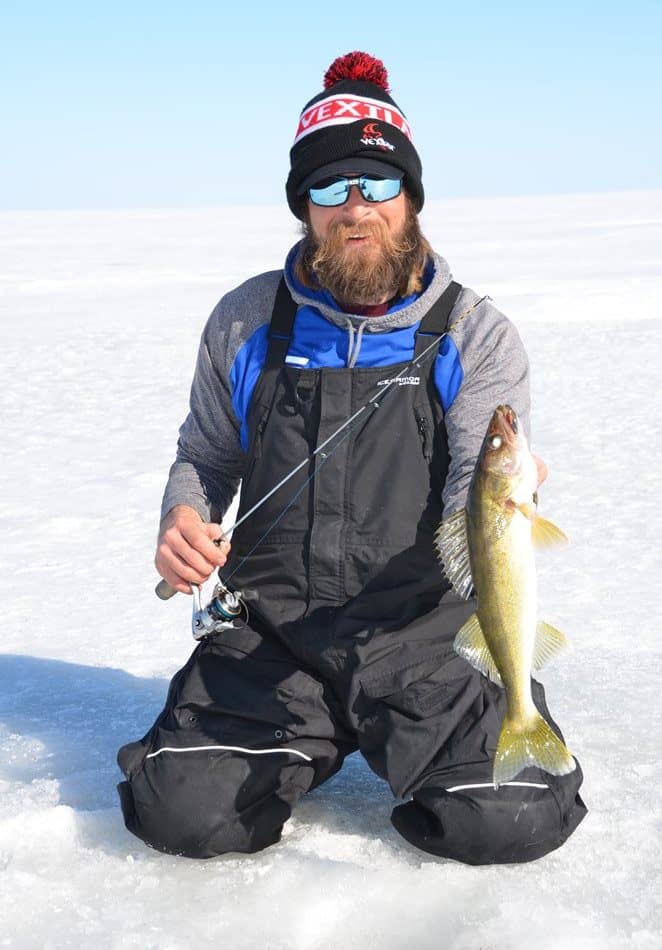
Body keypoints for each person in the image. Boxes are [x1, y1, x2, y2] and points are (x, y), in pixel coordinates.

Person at [117, 52, 586, 863]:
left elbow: (470, 503)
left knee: (507, 819)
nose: (355, 209)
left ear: (411, 199)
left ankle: (415, 733)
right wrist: (183, 516)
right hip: (273, 633)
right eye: (330, 190)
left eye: (377, 184)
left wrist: (500, 504)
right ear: (305, 208)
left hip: (419, 636)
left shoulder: (475, 335)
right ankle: (313, 728)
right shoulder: (245, 320)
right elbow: (206, 453)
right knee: (180, 814)